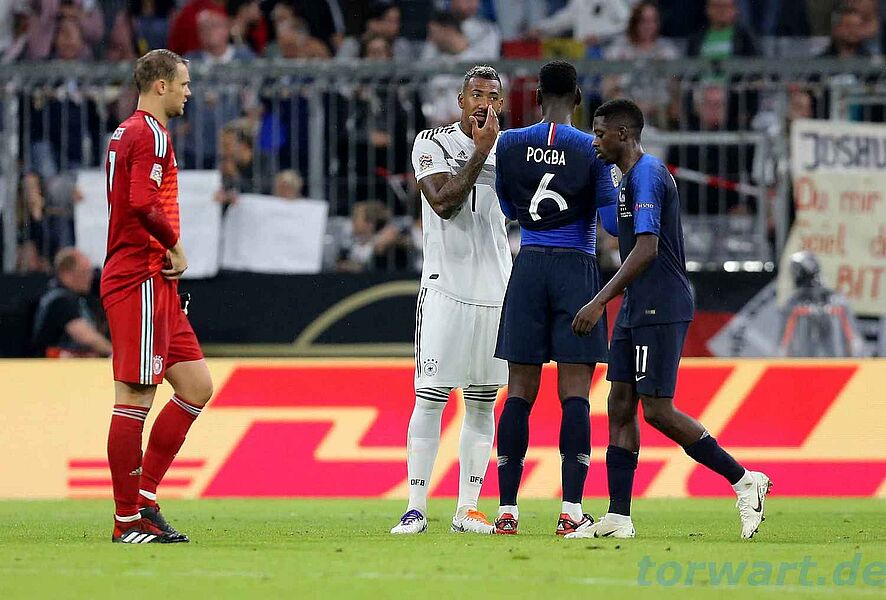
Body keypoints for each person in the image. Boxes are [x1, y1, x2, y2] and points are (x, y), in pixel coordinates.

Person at [567, 99, 771, 540]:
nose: (594, 141)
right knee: (620, 403)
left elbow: (647, 248)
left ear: (623, 134)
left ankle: (744, 481)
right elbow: (614, 227)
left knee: (657, 410)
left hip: (660, 304)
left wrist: (599, 301)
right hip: (637, 306)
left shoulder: (648, 174)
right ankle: (618, 517)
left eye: (599, 133)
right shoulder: (626, 178)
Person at [492, 60, 618, 536]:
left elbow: (508, 207)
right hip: (575, 270)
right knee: (575, 394)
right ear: (579, 98)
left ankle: (507, 511)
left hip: (528, 266)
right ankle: (570, 511)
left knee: (519, 392)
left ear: (537, 95)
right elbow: (611, 222)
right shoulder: (593, 149)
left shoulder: (508, 143)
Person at [391, 65, 511, 535]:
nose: (484, 104)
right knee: (430, 399)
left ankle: (467, 509)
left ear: (501, 104)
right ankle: (415, 508)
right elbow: (443, 203)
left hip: (497, 290)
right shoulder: (432, 142)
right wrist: (480, 153)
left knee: (482, 403)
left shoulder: (512, 150)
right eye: (477, 94)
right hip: (445, 288)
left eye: (493, 97)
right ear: (461, 101)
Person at [102, 49, 212, 544]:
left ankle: (144, 497)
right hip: (140, 277)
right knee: (134, 397)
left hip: (155, 281)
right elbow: (142, 202)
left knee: (196, 386)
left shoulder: (128, 131)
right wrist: (174, 244)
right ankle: (127, 520)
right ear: (160, 85)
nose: (189, 92)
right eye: (183, 84)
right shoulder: (149, 133)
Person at [30, 247, 111, 358]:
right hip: (51, 365)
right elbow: (87, 337)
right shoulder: (60, 300)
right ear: (66, 274)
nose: (90, 278)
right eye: (84, 272)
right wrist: (114, 353)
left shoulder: (75, 298)